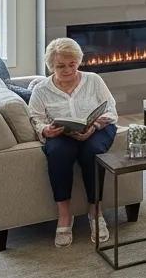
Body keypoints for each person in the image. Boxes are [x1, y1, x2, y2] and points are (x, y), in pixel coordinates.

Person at [28, 37, 118, 248]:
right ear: (51, 66)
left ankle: (95, 211)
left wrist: (94, 126)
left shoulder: (93, 80)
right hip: (60, 134)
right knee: (58, 153)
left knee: (93, 152)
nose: (68, 70)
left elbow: (111, 110)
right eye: (61, 66)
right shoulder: (41, 90)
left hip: (97, 128)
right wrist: (46, 130)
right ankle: (65, 215)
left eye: (72, 64)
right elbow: (35, 118)